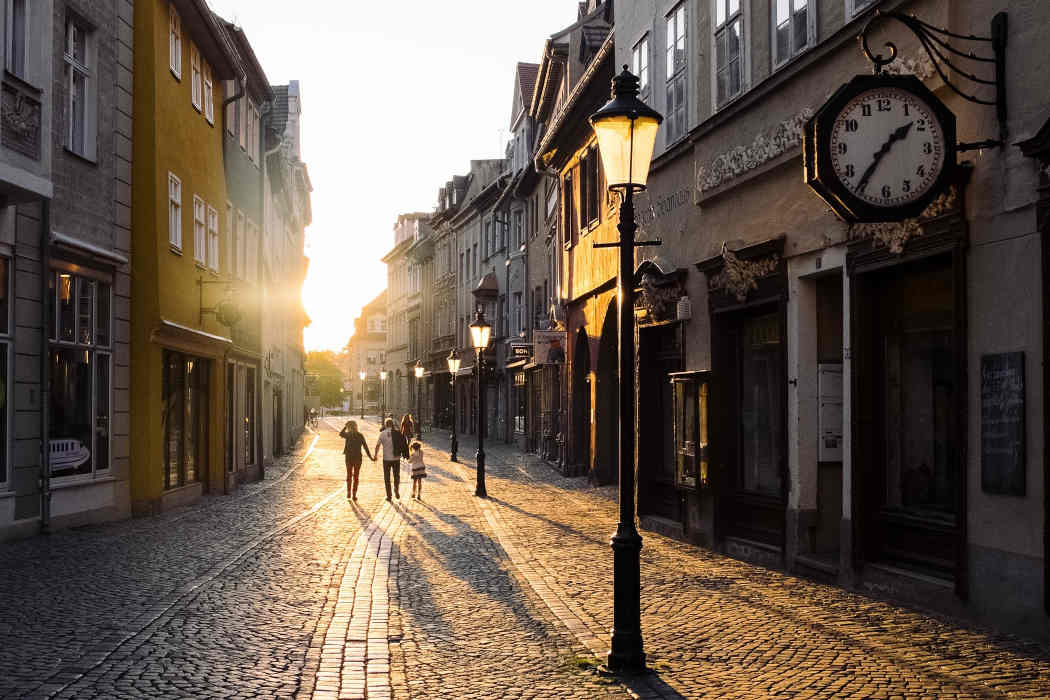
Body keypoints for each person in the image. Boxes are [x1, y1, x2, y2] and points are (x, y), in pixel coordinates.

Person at [373, 417, 409, 501]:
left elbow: (377, 445)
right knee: (396, 476)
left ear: (385, 425)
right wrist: (405, 454)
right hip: (396, 458)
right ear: (392, 425)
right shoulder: (397, 433)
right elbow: (404, 443)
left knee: (387, 478)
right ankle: (396, 488)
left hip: (386, 459)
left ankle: (389, 496)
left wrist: (375, 455)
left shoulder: (382, 434)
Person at [339, 420, 372, 502]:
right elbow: (365, 447)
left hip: (349, 458)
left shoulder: (348, 435)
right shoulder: (360, 435)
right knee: (356, 477)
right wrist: (370, 457)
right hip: (358, 458)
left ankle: (348, 492)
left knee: (349, 475)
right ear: (356, 426)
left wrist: (345, 426)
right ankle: (354, 494)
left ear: (349, 427)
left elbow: (341, 433)